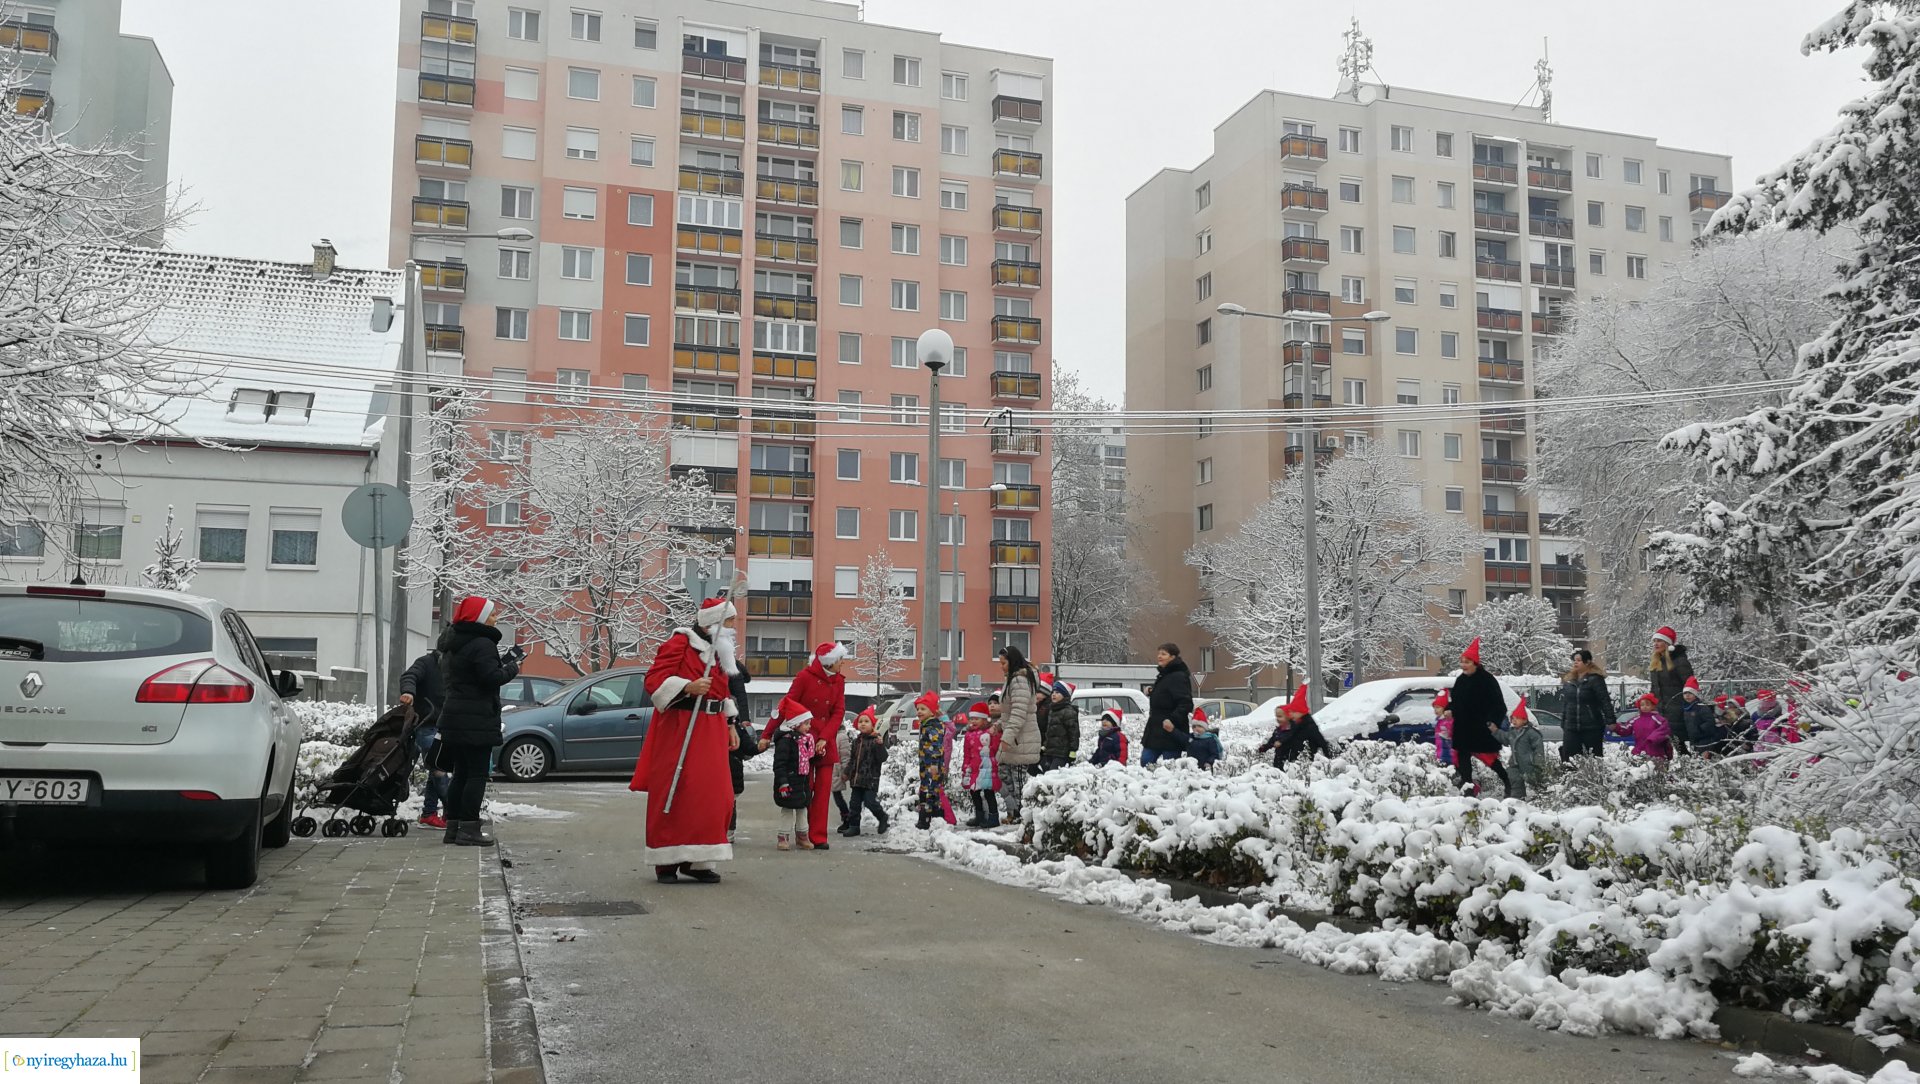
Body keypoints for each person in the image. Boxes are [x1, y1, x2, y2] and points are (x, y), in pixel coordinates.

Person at [630, 595, 739, 884]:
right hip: (681, 727)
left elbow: (722, 691)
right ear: (714, 622)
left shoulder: (720, 650)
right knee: (677, 790)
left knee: (713, 795)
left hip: (712, 728)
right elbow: (654, 680)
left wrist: (730, 723)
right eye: (729, 620)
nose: (733, 626)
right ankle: (666, 860)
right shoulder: (680, 643)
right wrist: (688, 686)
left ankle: (698, 860)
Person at [434, 596, 523, 847]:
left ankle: (453, 828)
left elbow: (469, 676)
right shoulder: (483, 643)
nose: (496, 618)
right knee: (476, 775)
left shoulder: (453, 643)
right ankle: (469, 829)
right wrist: (512, 668)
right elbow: (490, 678)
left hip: (454, 716)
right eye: (492, 614)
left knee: (460, 774)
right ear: (480, 618)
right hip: (476, 719)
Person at [765, 641, 852, 851]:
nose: (842, 663)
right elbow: (786, 705)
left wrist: (825, 738)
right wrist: (767, 734)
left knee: (823, 790)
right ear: (830, 662)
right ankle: (801, 832)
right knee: (805, 787)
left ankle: (818, 835)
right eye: (840, 659)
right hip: (802, 740)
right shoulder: (804, 677)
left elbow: (838, 712)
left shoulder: (839, 681)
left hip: (825, 740)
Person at [1448, 638, 1513, 797]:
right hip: (1463, 728)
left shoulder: (1487, 680)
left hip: (1481, 729)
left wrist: (1492, 722)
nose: (1463, 665)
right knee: (1463, 758)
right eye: (1462, 662)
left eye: (1467, 662)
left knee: (1490, 759)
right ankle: (1468, 790)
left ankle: (1509, 783)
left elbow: (1499, 705)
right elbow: (1456, 702)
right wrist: (1449, 709)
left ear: (1475, 663)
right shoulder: (1460, 680)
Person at [399, 650, 449, 831]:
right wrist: (408, 692)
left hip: (444, 726)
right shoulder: (426, 663)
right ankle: (455, 812)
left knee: (435, 769)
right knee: (438, 770)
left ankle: (429, 814)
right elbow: (409, 676)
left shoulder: (452, 665)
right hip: (427, 725)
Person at [992, 646, 1043, 821]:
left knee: (1018, 780)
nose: (1001, 667)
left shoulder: (1019, 681)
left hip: (1021, 738)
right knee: (1006, 775)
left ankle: (1022, 815)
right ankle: (1014, 812)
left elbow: (1019, 713)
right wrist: (999, 725)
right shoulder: (1012, 679)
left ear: (1012, 662)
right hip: (1014, 736)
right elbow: (1010, 711)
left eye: (1003, 663)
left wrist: (1007, 737)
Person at [769, 698, 817, 851]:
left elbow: (808, 760)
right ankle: (783, 837)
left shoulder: (804, 741)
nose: (809, 727)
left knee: (802, 809)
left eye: (809, 723)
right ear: (795, 724)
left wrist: (818, 755)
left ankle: (802, 836)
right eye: (806, 723)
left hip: (802, 782)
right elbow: (780, 764)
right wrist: (783, 782)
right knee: (787, 810)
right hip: (788, 782)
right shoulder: (786, 741)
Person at [1143, 643, 1195, 766]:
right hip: (1155, 730)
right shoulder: (1164, 674)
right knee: (1145, 762)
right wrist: (1153, 691)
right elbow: (1167, 695)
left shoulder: (1178, 676)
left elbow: (1186, 703)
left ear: (1172, 657)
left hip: (1170, 731)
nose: (1159, 656)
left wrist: (1172, 720)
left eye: (1163, 654)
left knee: (1169, 767)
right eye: (1159, 653)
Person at [1562, 649, 1616, 762]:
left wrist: (1610, 720)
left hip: (1592, 727)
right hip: (1571, 727)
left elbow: (1604, 700)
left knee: (1593, 758)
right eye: (1574, 660)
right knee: (1569, 759)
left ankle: (1594, 773)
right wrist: (1564, 721)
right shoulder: (1569, 681)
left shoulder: (1595, 679)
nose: (1575, 663)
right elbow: (1566, 703)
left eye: (1579, 660)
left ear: (1587, 662)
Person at [1649, 626, 1696, 755]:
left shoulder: (1679, 661)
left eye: (1659, 641)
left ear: (1667, 643)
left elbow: (1690, 684)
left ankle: (1691, 764)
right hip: (1661, 710)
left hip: (1678, 710)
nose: (1656, 644)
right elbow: (1654, 688)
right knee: (1664, 744)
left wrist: (1689, 704)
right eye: (1654, 641)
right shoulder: (1656, 662)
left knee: (1679, 744)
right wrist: (1651, 704)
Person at [1256, 686, 1331, 767]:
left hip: (1304, 763)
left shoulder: (1309, 726)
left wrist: (1328, 759)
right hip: (1292, 762)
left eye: (1293, 712)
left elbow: (1321, 741)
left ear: (1300, 711)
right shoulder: (1296, 724)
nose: (1291, 714)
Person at [841, 711, 889, 836]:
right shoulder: (856, 742)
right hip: (857, 780)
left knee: (870, 802)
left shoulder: (876, 740)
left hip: (870, 779)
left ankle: (882, 817)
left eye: (866, 721)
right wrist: (847, 773)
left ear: (872, 725)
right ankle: (854, 826)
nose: (863, 724)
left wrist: (880, 745)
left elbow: (883, 757)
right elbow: (852, 760)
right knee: (854, 804)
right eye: (860, 722)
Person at [912, 692, 952, 830]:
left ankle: (925, 819)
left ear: (932, 712)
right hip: (926, 765)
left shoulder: (933, 726)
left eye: (923, 709)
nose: (919, 711)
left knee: (929, 791)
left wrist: (934, 764)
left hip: (933, 766)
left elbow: (937, 747)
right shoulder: (926, 725)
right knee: (928, 790)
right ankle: (935, 816)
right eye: (918, 709)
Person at [1501, 695, 1549, 799]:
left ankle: (1544, 796)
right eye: (1512, 719)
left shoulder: (1532, 733)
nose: (1514, 721)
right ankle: (1515, 798)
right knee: (1513, 779)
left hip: (1529, 764)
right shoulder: (1512, 732)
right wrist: (1494, 731)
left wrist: (1539, 764)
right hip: (1514, 763)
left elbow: (1538, 749)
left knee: (1536, 781)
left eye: (1517, 718)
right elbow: (1504, 738)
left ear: (1524, 720)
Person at [961, 708, 1001, 828]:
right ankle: (979, 816)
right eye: (971, 719)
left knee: (989, 793)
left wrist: (996, 734)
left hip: (987, 767)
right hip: (973, 769)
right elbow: (967, 753)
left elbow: (995, 747)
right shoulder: (968, 735)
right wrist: (965, 766)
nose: (973, 721)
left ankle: (993, 817)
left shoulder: (990, 733)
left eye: (976, 719)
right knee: (974, 792)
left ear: (984, 720)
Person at [1617, 692, 1675, 765]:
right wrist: (1616, 727)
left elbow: (1665, 729)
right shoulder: (1635, 720)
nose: (1644, 707)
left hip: (1656, 753)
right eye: (1642, 705)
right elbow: (1625, 729)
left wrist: (1653, 738)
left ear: (1653, 706)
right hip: (1639, 753)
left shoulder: (1659, 719)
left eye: (1647, 704)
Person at [1038, 680, 1080, 773]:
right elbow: (1049, 732)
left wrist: (1072, 751)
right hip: (1049, 751)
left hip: (1062, 753)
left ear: (1065, 695)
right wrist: (1045, 746)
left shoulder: (1068, 711)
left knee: (1053, 775)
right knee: (1044, 773)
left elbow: (1074, 734)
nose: (1054, 694)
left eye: (1057, 692)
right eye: (1053, 692)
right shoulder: (1052, 710)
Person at [1675, 677, 1721, 757]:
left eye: (1690, 693)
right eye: (1685, 693)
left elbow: (1710, 721)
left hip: (1705, 740)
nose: (1687, 695)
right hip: (1694, 740)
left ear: (1695, 694)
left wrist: (1699, 729)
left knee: (1703, 759)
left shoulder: (1701, 707)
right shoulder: (1686, 708)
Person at [1431, 691, 1454, 767]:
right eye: (1434, 707)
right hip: (1441, 754)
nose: (1435, 710)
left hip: (1449, 757)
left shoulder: (1448, 720)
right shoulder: (1439, 720)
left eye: (1438, 707)